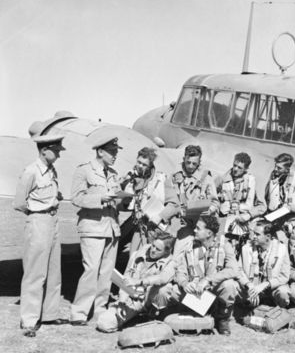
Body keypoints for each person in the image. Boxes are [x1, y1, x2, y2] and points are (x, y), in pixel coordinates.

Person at [13, 134, 67, 337]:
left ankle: (49, 314)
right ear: (44, 150)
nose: (59, 154)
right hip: (38, 221)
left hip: (53, 220)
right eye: (57, 150)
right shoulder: (31, 171)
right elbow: (19, 202)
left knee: (54, 270)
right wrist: (37, 212)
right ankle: (29, 321)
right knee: (35, 272)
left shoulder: (52, 170)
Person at [70, 136, 123, 325]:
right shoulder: (84, 170)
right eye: (112, 152)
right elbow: (76, 198)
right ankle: (79, 312)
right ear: (100, 151)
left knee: (107, 272)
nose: (115, 155)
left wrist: (124, 199)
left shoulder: (114, 173)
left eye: (116, 152)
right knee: (91, 270)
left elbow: (117, 202)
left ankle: (100, 309)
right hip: (92, 228)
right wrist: (101, 198)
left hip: (112, 228)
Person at [168, 215, 239, 335]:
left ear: (209, 233)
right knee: (171, 290)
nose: (194, 230)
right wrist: (185, 283)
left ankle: (222, 319)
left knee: (229, 285)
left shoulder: (224, 245)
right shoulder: (189, 245)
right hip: (194, 291)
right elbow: (180, 271)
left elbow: (233, 269)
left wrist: (209, 280)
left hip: (212, 289)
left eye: (198, 228)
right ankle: (187, 311)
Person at [96, 233, 177, 333]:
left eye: (158, 249)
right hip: (133, 298)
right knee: (104, 323)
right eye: (153, 246)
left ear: (167, 251)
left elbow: (162, 278)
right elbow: (125, 279)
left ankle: (155, 317)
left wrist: (139, 282)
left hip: (150, 297)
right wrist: (122, 301)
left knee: (164, 289)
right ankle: (134, 315)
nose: (153, 250)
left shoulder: (172, 261)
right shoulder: (139, 253)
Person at [120, 147, 180, 257]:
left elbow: (175, 205)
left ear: (150, 166)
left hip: (155, 230)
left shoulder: (161, 180)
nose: (140, 166)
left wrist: (160, 216)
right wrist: (126, 184)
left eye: (144, 165)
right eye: (139, 162)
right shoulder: (132, 178)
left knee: (147, 260)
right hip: (137, 226)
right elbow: (125, 205)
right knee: (130, 258)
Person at [236, 219, 291, 308]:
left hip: (271, 288)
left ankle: (278, 313)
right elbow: (238, 271)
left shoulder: (281, 249)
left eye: (257, 234)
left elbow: (284, 276)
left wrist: (266, 284)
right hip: (251, 287)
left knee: (283, 293)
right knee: (231, 286)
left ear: (268, 237)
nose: (253, 237)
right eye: (254, 233)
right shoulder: (246, 248)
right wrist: (249, 285)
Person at [217, 152, 266, 235]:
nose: (235, 169)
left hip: (242, 221)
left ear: (246, 169)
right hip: (223, 219)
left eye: (239, 167)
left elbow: (262, 206)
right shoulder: (222, 178)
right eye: (234, 165)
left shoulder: (251, 181)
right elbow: (211, 197)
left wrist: (249, 215)